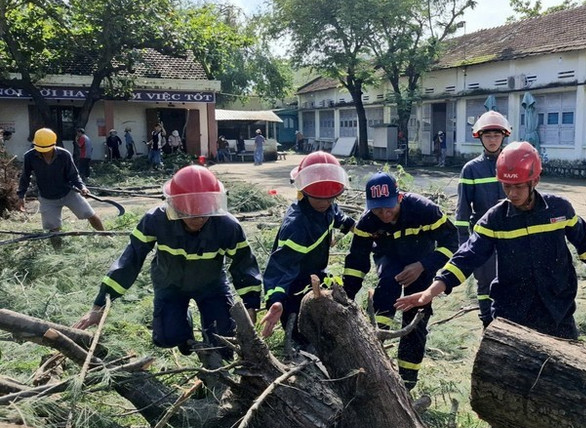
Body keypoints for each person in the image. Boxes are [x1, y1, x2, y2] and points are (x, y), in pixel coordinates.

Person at [395, 141, 586, 428]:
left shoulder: (559, 209)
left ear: (534, 181)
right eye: (506, 186)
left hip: (557, 307)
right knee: (502, 382)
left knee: (569, 376)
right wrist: (433, 289)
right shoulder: (495, 219)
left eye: (518, 186)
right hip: (513, 313)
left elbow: (583, 240)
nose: (512, 193)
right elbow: (467, 256)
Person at [75, 166, 262, 357]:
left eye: (203, 209)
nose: (198, 218)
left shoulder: (227, 226)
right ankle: (182, 323)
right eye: (190, 211)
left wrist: (251, 305)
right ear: (175, 205)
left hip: (211, 285)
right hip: (170, 284)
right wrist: (99, 305)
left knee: (223, 345)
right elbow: (129, 262)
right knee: (167, 338)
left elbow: (244, 265)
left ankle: (213, 340)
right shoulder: (155, 220)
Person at [344, 171, 459, 390]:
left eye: (389, 207)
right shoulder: (367, 222)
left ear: (399, 197)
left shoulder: (424, 210)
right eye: (378, 209)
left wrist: (424, 265)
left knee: (417, 317)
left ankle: (407, 381)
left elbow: (452, 243)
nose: (385, 214)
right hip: (389, 260)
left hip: (421, 262)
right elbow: (356, 263)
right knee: (388, 284)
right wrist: (346, 296)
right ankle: (375, 351)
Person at [260, 152, 354, 348]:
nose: (327, 203)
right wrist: (276, 301)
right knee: (300, 337)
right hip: (293, 287)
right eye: (322, 199)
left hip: (317, 276)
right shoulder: (296, 226)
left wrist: (352, 228)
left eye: (332, 198)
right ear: (304, 191)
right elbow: (280, 268)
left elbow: (338, 216)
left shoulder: (327, 206)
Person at [456, 111, 512, 327]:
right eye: (488, 135)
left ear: (503, 136)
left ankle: (507, 323)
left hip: (512, 233)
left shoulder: (511, 162)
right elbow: (462, 210)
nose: (492, 139)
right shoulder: (471, 169)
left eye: (496, 135)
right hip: (484, 235)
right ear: (479, 137)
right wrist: (463, 243)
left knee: (511, 278)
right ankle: (487, 324)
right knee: (485, 282)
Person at [17, 128, 105, 249]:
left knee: (90, 214)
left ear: (54, 144)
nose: (44, 152)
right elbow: (25, 177)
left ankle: (106, 236)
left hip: (68, 193)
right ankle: (58, 254)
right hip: (47, 197)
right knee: (53, 228)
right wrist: (21, 195)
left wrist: (82, 187)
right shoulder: (30, 156)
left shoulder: (64, 155)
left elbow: (74, 175)